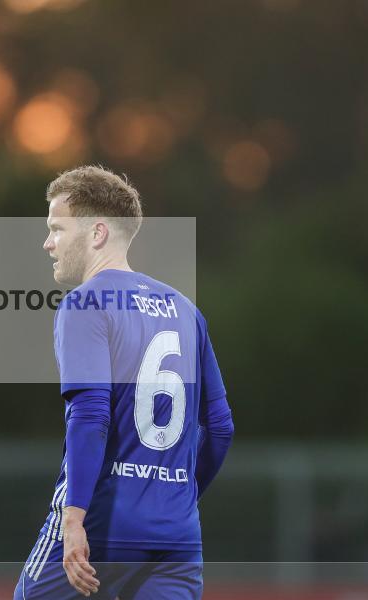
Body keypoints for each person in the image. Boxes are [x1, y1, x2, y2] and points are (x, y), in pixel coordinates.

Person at [15, 166, 234, 599]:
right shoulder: (187, 310)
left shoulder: (85, 303)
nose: (48, 243)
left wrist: (74, 520)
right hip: (176, 536)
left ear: (97, 233)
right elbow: (221, 427)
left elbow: (91, 415)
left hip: (101, 524)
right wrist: (173, 500)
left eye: (57, 228)